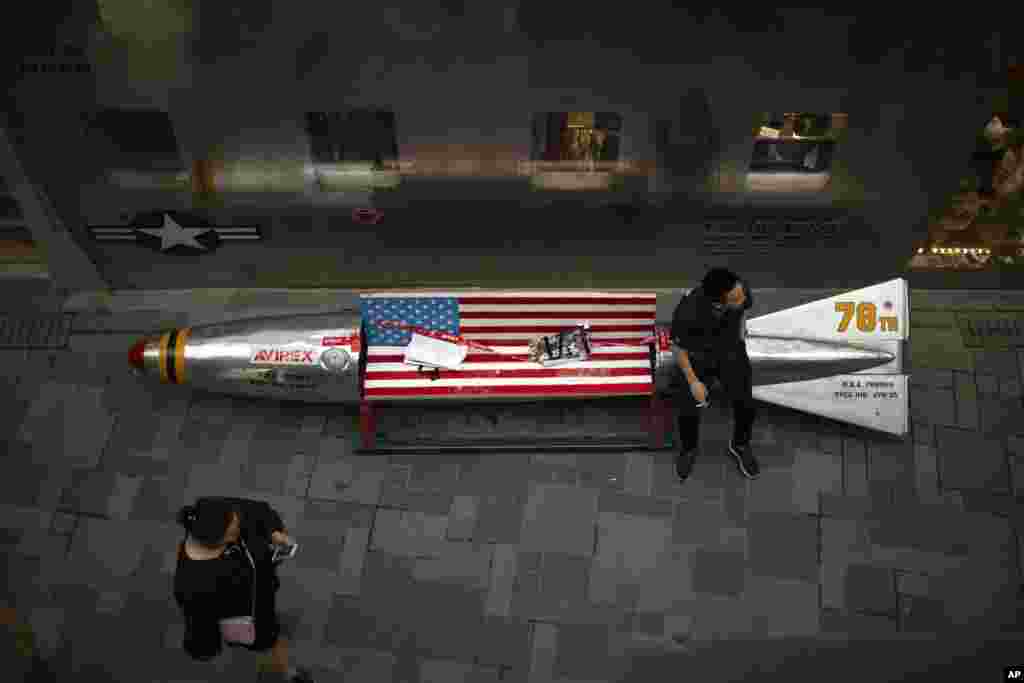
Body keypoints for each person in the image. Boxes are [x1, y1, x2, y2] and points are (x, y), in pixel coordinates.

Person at [173, 497, 315, 683]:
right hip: (247, 614)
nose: (238, 528)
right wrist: (205, 648)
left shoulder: (216, 512)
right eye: (232, 533)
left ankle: (287, 669)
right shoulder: (193, 584)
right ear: (217, 542)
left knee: (272, 636)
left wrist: (273, 532)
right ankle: (289, 673)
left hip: (260, 593)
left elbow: (257, 511)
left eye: (236, 522)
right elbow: (199, 622)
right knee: (269, 640)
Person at [669, 267, 760, 482]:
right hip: (698, 357)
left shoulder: (739, 289)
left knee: (746, 404)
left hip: (730, 351)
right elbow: (678, 348)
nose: (743, 297)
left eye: (742, 292)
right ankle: (689, 449)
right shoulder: (688, 311)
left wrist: (740, 336)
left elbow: (744, 310)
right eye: (736, 298)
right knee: (688, 408)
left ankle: (740, 444)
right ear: (718, 303)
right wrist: (693, 382)